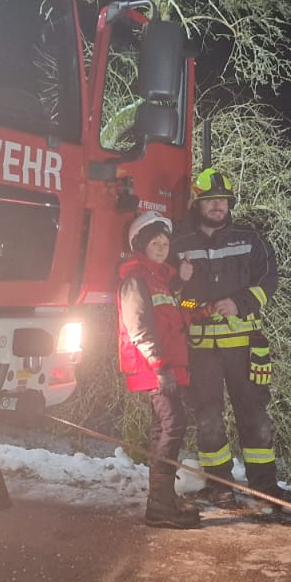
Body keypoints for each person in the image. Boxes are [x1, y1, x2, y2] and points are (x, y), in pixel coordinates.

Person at [171, 167, 288, 512]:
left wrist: (240, 303)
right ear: (197, 204)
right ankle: (219, 486)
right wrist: (192, 303)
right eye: (210, 200)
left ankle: (265, 485)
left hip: (245, 347)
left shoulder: (250, 239)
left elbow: (268, 281)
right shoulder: (179, 244)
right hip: (201, 350)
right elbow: (174, 299)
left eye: (223, 200)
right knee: (207, 417)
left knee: (255, 415)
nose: (217, 205)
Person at [118, 210, 202, 529]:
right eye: (154, 242)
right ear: (141, 245)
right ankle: (160, 506)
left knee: (163, 428)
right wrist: (159, 366)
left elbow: (180, 310)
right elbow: (138, 327)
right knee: (172, 425)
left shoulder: (163, 281)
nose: (161, 248)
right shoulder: (136, 279)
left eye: (165, 243)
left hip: (167, 366)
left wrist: (194, 298)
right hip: (155, 367)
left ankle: (162, 500)